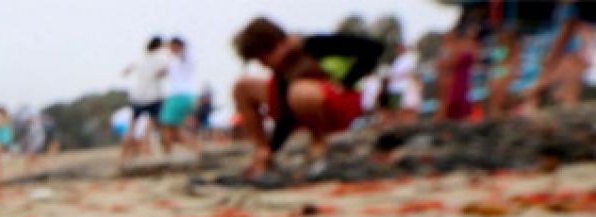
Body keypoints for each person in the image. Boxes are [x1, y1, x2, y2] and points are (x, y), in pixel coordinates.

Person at [231, 17, 383, 177]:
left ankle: (320, 143)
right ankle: (262, 150)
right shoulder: (282, 70)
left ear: (277, 45)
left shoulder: (313, 45)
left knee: (299, 91)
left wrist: (347, 81)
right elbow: (286, 115)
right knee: (243, 87)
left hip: (340, 103)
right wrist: (271, 148)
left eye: (262, 59)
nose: (263, 65)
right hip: (301, 108)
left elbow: (374, 49)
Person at [121, 37, 169, 162]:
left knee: (132, 129)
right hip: (153, 96)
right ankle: (161, 155)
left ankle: (123, 159)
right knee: (155, 127)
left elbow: (125, 71)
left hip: (137, 96)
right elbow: (163, 73)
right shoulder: (161, 59)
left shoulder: (140, 59)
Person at [159, 36, 198, 154]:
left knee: (166, 127)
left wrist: (171, 45)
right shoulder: (175, 60)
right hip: (184, 96)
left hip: (179, 96)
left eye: (171, 46)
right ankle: (197, 150)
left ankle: (168, 155)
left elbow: (183, 51)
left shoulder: (184, 56)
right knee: (174, 130)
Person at [382, 44, 423, 125]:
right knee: (394, 109)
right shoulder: (397, 60)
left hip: (404, 87)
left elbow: (408, 72)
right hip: (394, 88)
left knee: (406, 109)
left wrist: (396, 76)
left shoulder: (410, 58)